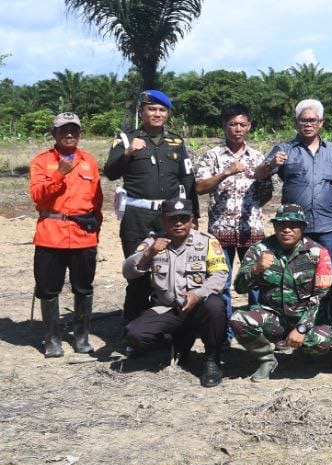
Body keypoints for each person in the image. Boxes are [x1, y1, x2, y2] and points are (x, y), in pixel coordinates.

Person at [103, 89, 198, 329]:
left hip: (169, 216)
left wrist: (194, 216)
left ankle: (162, 328)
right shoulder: (126, 138)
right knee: (139, 272)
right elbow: (111, 173)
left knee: (169, 272)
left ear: (167, 114)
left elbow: (187, 180)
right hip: (137, 216)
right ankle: (133, 329)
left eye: (162, 110)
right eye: (151, 109)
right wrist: (127, 153)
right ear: (142, 112)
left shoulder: (176, 141)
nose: (157, 114)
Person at [121, 198, 228, 387]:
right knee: (135, 334)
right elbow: (127, 271)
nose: (178, 223)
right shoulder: (153, 242)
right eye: (172, 219)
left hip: (197, 306)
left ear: (192, 220)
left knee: (216, 305)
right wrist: (148, 254)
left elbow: (220, 275)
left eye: (183, 218)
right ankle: (177, 340)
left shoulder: (207, 242)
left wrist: (198, 294)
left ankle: (212, 360)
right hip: (167, 308)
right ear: (163, 220)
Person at [231, 205, 332, 382]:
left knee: (323, 340)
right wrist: (255, 269)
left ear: (303, 228)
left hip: (306, 318)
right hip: (274, 318)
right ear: (274, 227)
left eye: (293, 225)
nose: (286, 229)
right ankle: (266, 359)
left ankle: (306, 354)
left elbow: (322, 296)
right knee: (238, 319)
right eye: (281, 225)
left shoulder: (318, 253)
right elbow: (240, 288)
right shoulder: (259, 250)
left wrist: (302, 328)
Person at [195, 104, 271, 339]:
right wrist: (226, 173)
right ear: (224, 126)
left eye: (242, 124)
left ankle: (256, 333)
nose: (238, 128)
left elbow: (267, 194)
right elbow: (199, 187)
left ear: (248, 127)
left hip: (252, 230)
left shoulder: (258, 157)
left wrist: (262, 179)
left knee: (256, 282)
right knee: (221, 283)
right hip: (220, 231)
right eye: (233, 124)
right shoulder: (212, 156)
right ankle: (224, 334)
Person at [29, 113, 103, 357]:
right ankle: (52, 339)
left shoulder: (89, 161)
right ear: (54, 133)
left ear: (80, 133)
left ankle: (81, 337)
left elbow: (97, 200)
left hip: (84, 235)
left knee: (83, 287)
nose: (69, 134)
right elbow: (38, 197)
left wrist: (96, 230)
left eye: (74, 130)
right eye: (63, 130)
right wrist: (59, 173)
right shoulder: (41, 161)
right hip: (52, 234)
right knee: (49, 288)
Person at [256, 99, 332, 267]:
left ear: (321, 123)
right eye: (304, 120)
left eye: (312, 120)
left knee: (328, 272)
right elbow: (258, 174)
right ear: (296, 123)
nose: (308, 124)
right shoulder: (284, 149)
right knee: (296, 272)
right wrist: (271, 164)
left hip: (326, 226)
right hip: (294, 227)